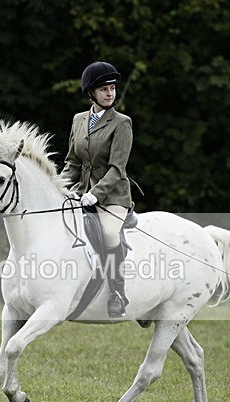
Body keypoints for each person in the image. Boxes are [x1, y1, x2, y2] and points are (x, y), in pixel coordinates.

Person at [59, 61, 133, 318]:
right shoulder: (79, 120)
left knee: (110, 234)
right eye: (103, 89)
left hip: (112, 196)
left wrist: (95, 194)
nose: (110, 93)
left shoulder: (122, 123)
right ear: (91, 93)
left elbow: (117, 168)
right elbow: (72, 162)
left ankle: (118, 293)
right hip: (80, 193)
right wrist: (60, 186)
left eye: (112, 88)